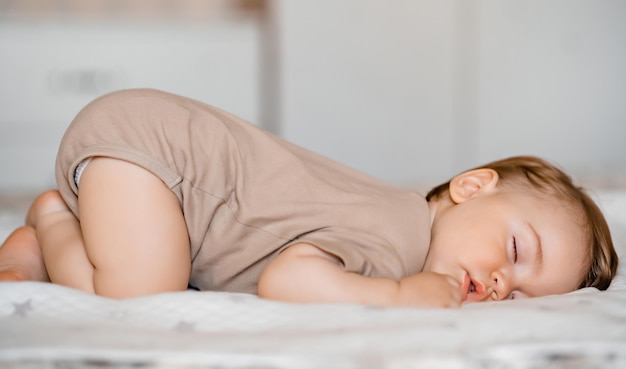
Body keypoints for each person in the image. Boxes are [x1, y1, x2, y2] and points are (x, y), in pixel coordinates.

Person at [0, 88, 618, 308]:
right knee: (141, 292)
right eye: (515, 249)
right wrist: (398, 297)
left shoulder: (390, 215)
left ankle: (38, 250)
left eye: (521, 294)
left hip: (156, 167)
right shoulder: (396, 239)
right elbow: (288, 281)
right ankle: (55, 219)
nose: (503, 282)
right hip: (155, 154)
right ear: (469, 187)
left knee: (166, 264)